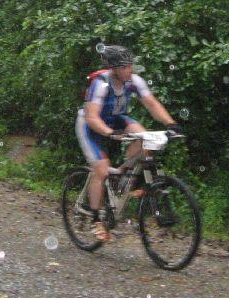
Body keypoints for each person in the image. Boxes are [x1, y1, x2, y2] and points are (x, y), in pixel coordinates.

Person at [75, 45, 181, 241]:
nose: (129, 70)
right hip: (90, 125)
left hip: (117, 119)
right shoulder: (101, 84)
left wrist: (170, 123)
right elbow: (92, 117)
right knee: (101, 168)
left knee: (147, 140)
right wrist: (108, 132)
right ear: (113, 69)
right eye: (124, 67)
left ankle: (124, 181)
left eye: (130, 65)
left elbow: (151, 103)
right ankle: (96, 219)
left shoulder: (133, 81)